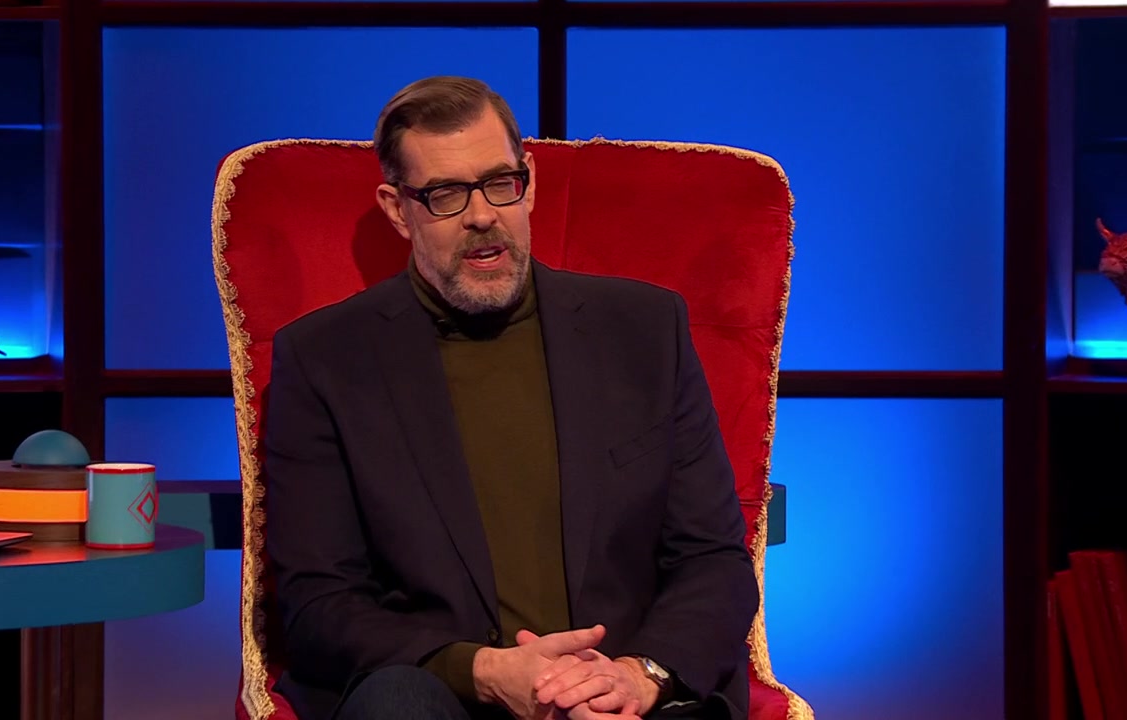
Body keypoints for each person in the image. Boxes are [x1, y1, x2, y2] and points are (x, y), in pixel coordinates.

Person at [264, 76, 759, 720]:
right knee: (394, 702)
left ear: (530, 182)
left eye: (500, 182)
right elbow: (320, 602)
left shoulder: (644, 331)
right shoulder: (325, 359)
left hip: (627, 696)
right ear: (397, 209)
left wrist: (639, 676)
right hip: (443, 698)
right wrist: (485, 671)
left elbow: (713, 560)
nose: (482, 215)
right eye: (446, 194)